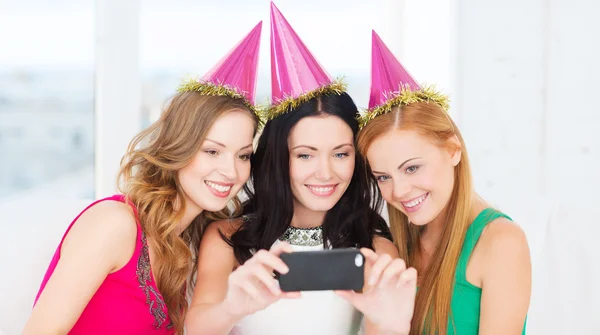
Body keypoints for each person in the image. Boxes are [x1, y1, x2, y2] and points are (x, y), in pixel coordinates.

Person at [22, 22, 264, 335]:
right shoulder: (115, 223)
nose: (231, 172)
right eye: (212, 151)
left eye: (243, 155)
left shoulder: (190, 246)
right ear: (178, 148)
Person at [185, 4, 405, 335]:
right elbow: (195, 328)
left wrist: (391, 322)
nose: (325, 173)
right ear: (278, 158)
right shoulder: (227, 238)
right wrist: (233, 307)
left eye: (340, 154)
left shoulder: (375, 251)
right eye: (305, 155)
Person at [355, 30, 531, 335]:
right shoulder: (396, 244)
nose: (398, 191)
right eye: (383, 177)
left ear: (452, 150)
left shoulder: (501, 242)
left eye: (411, 168)